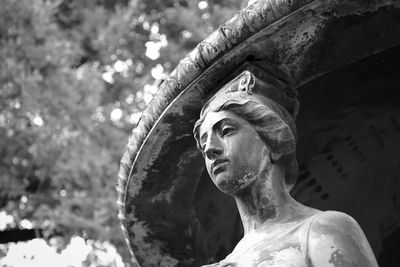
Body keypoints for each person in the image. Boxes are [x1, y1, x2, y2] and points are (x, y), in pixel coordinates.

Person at [193, 89, 378, 267]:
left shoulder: (323, 229)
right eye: (204, 143)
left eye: (226, 131)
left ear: (274, 142)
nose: (209, 148)